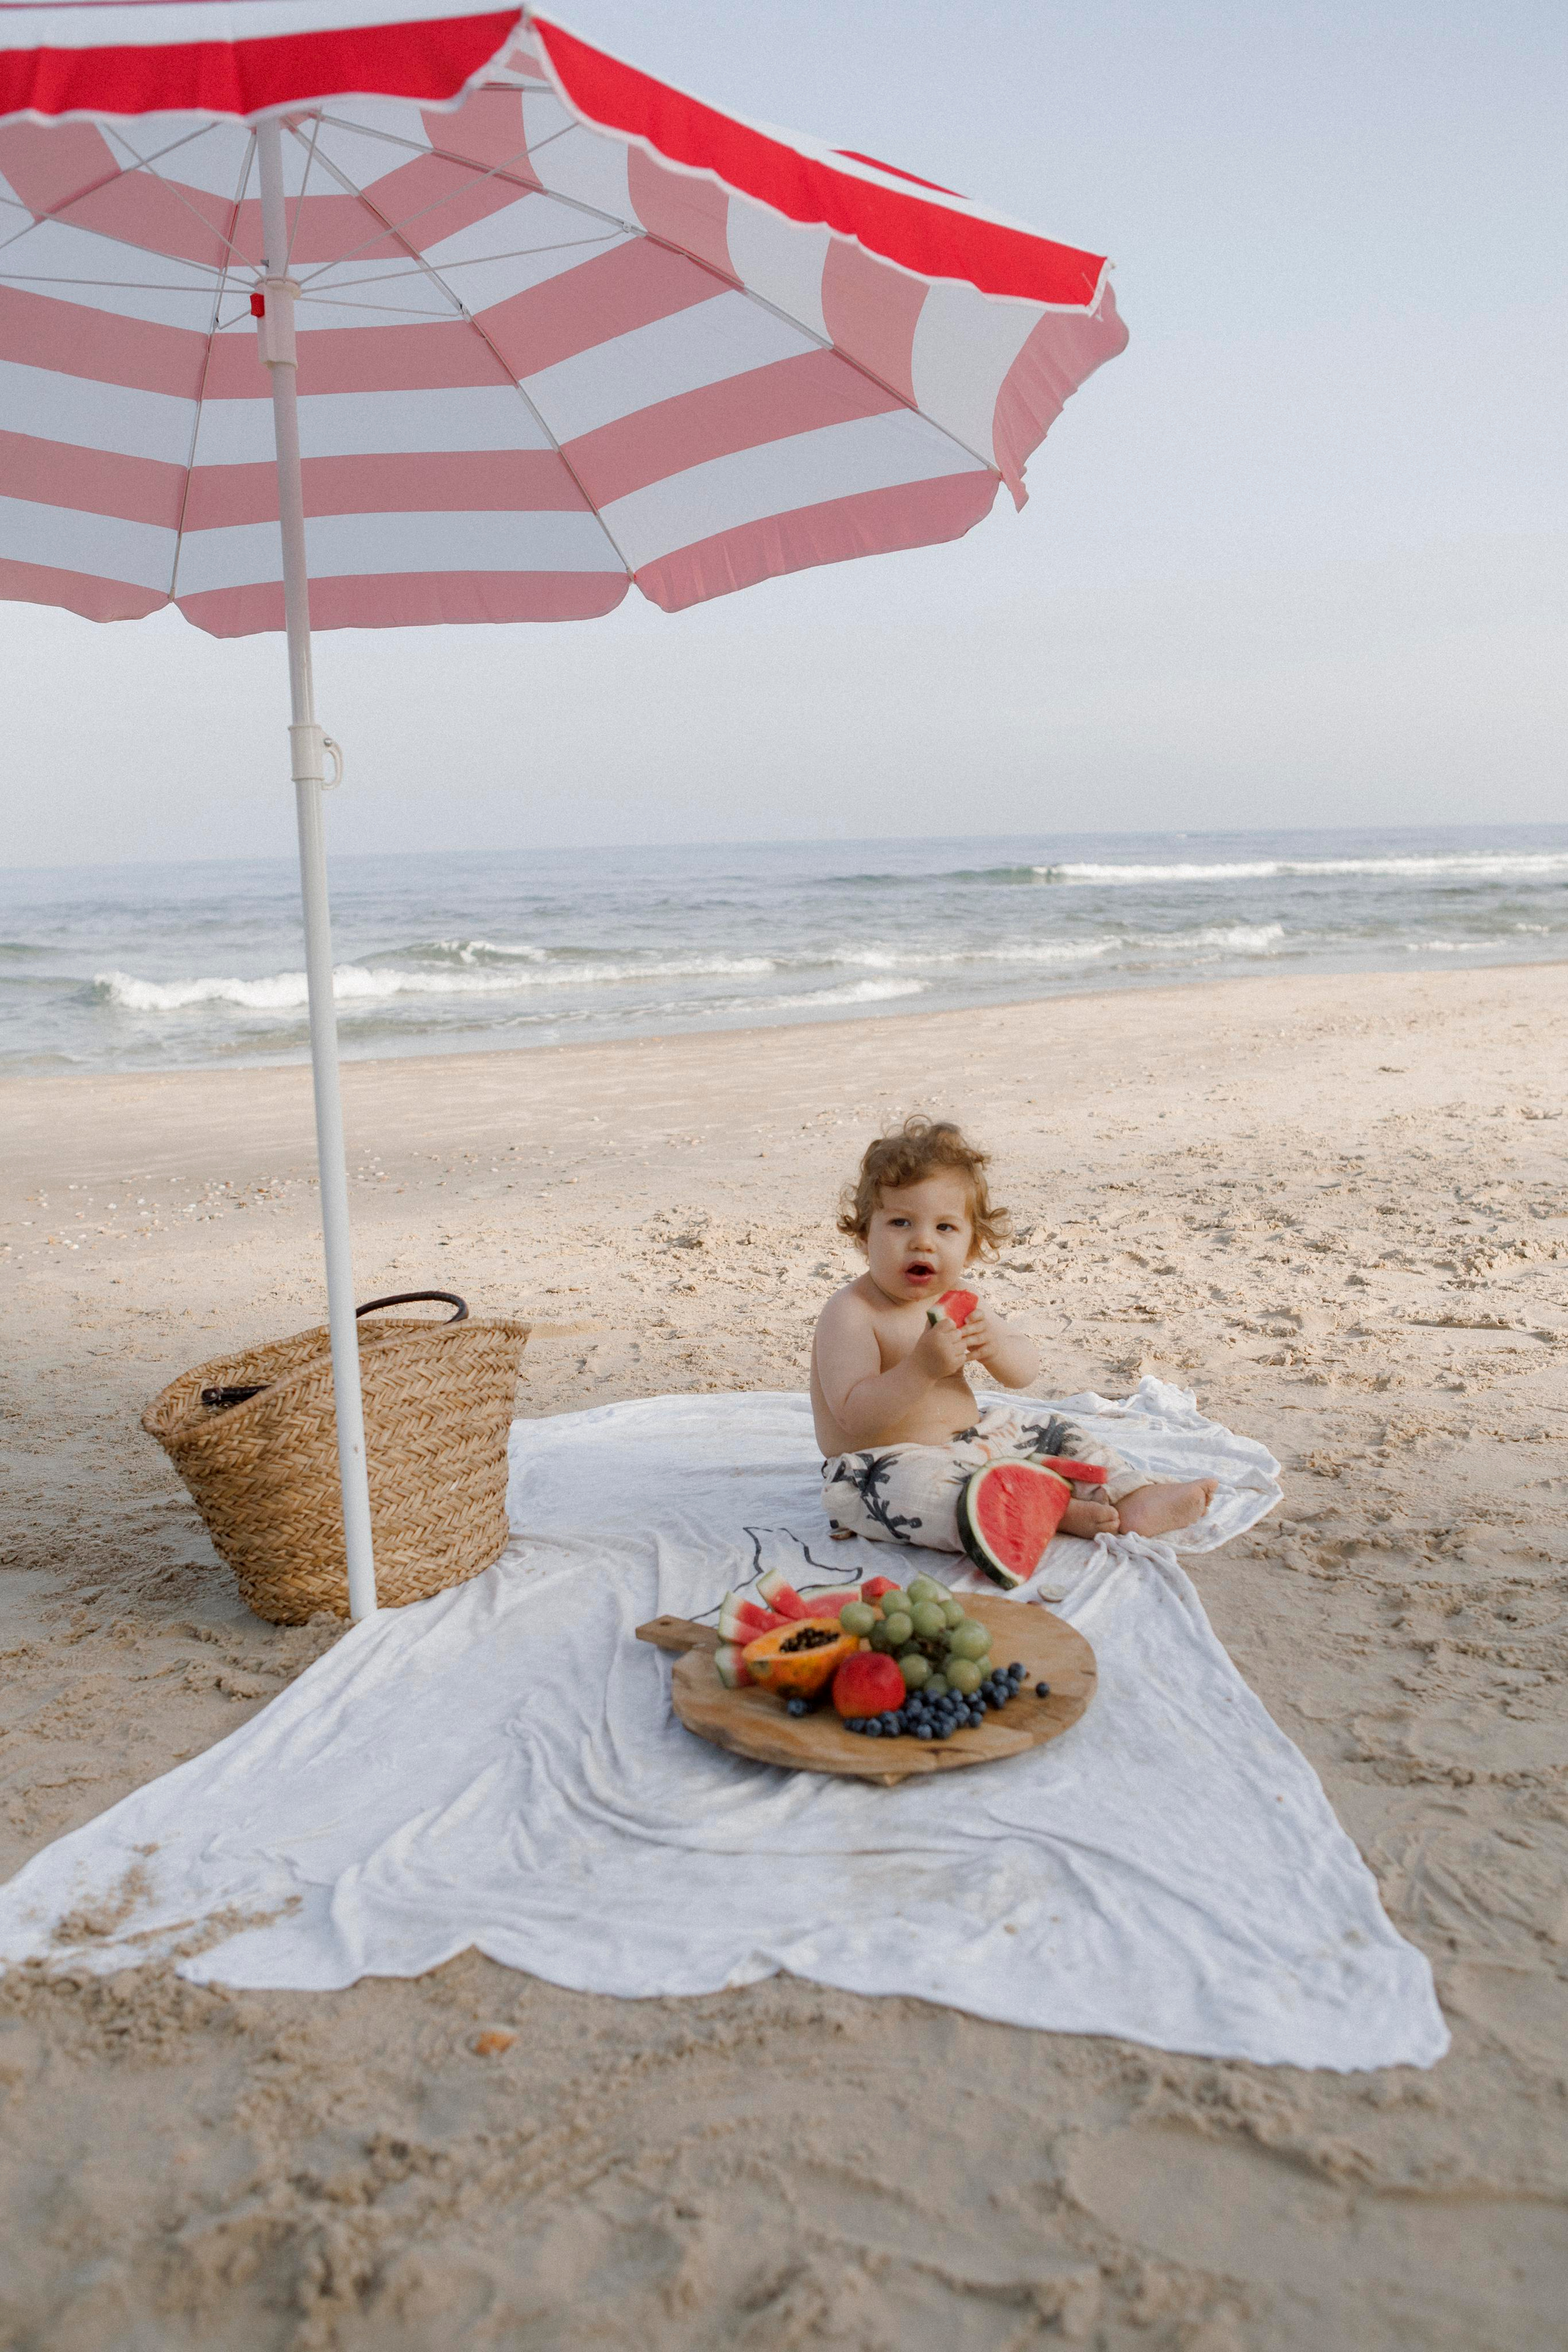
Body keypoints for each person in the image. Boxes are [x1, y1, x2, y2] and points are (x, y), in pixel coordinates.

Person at [811, 1116, 1216, 1556]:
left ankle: (1131, 1494)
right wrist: (919, 1370)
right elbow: (853, 1416)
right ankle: (1045, 1509)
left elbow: (1024, 1372)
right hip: (878, 1466)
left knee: (1051, 1427)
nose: (923, 1242)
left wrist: (997, 1349)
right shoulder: (852, 1312)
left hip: (975, 1440)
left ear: (970, 1245)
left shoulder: (960, 1298)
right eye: (901, 1223)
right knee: (914, 1492)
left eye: (944, 1228)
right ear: (865, 1232)